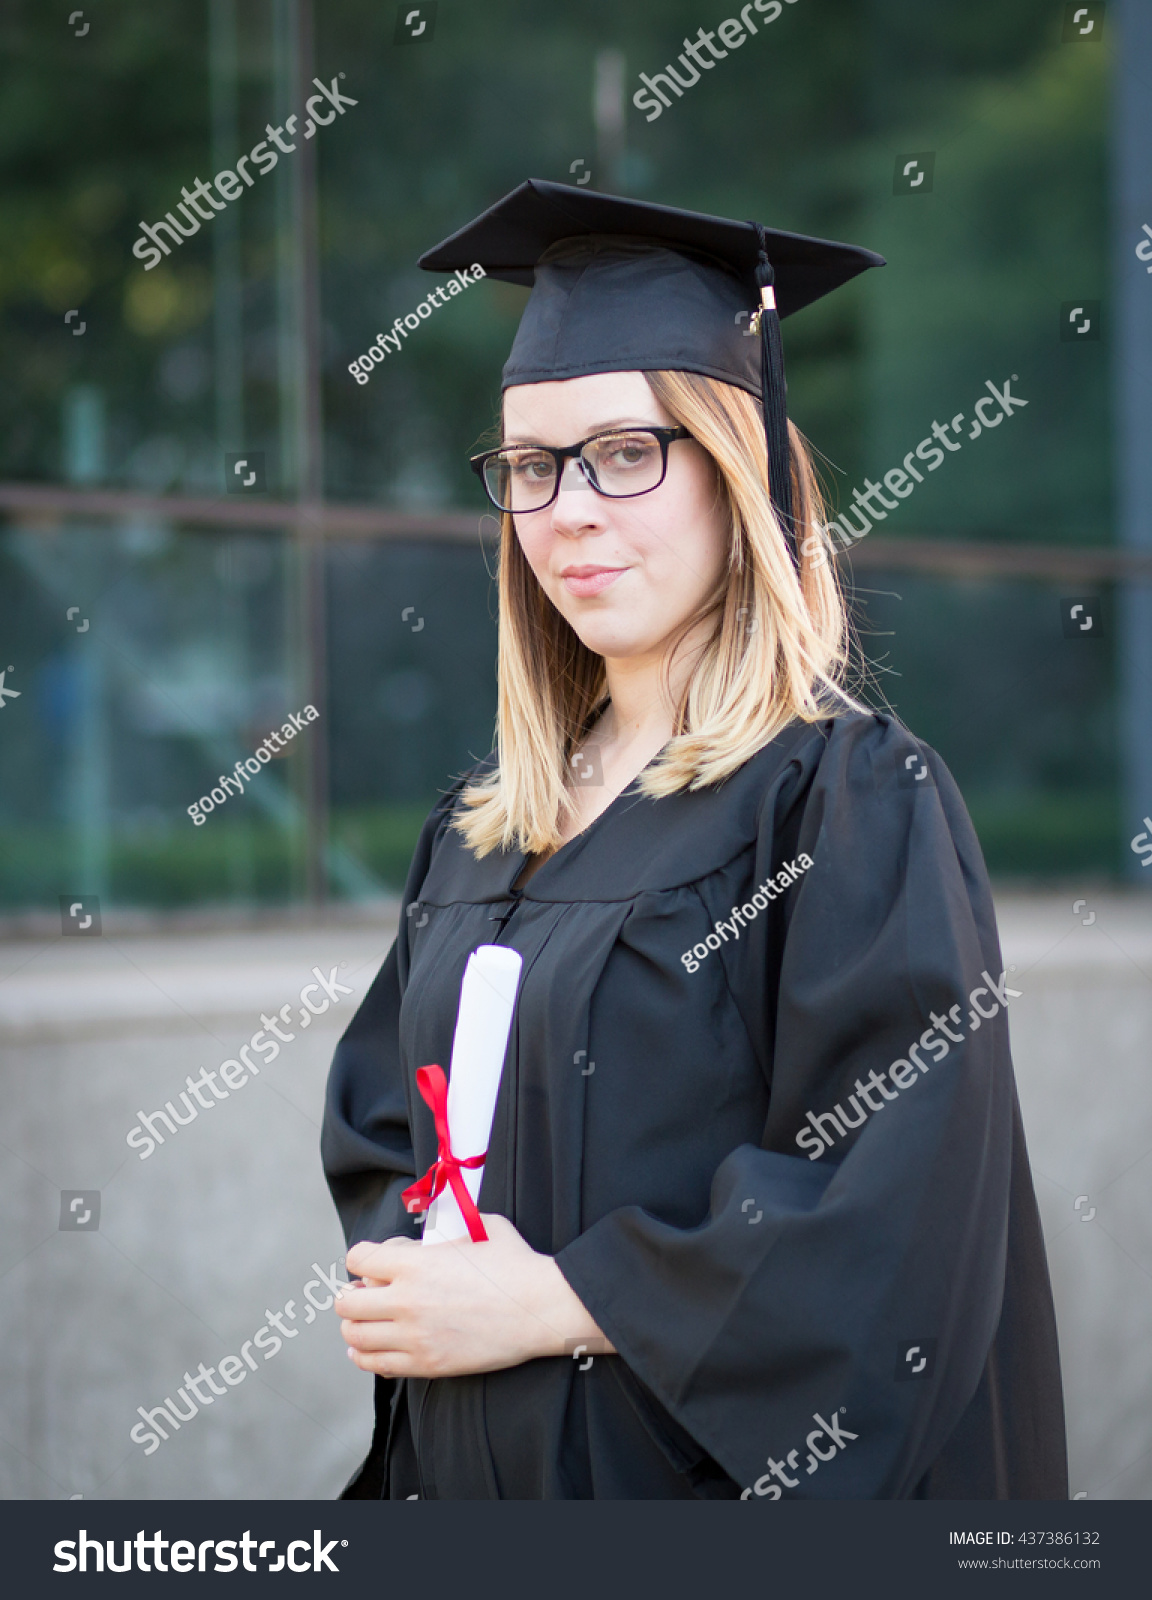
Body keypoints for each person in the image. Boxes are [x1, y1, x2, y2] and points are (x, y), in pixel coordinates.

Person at [321, 179, 1067, 1500]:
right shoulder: (485, 828)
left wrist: (557, 1302)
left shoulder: (844, 804)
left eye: (625, 452)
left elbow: (893, 1215)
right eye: (532, 466)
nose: (569, 509)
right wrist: (419, 1271)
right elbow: (389, 1126)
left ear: (740, 477)